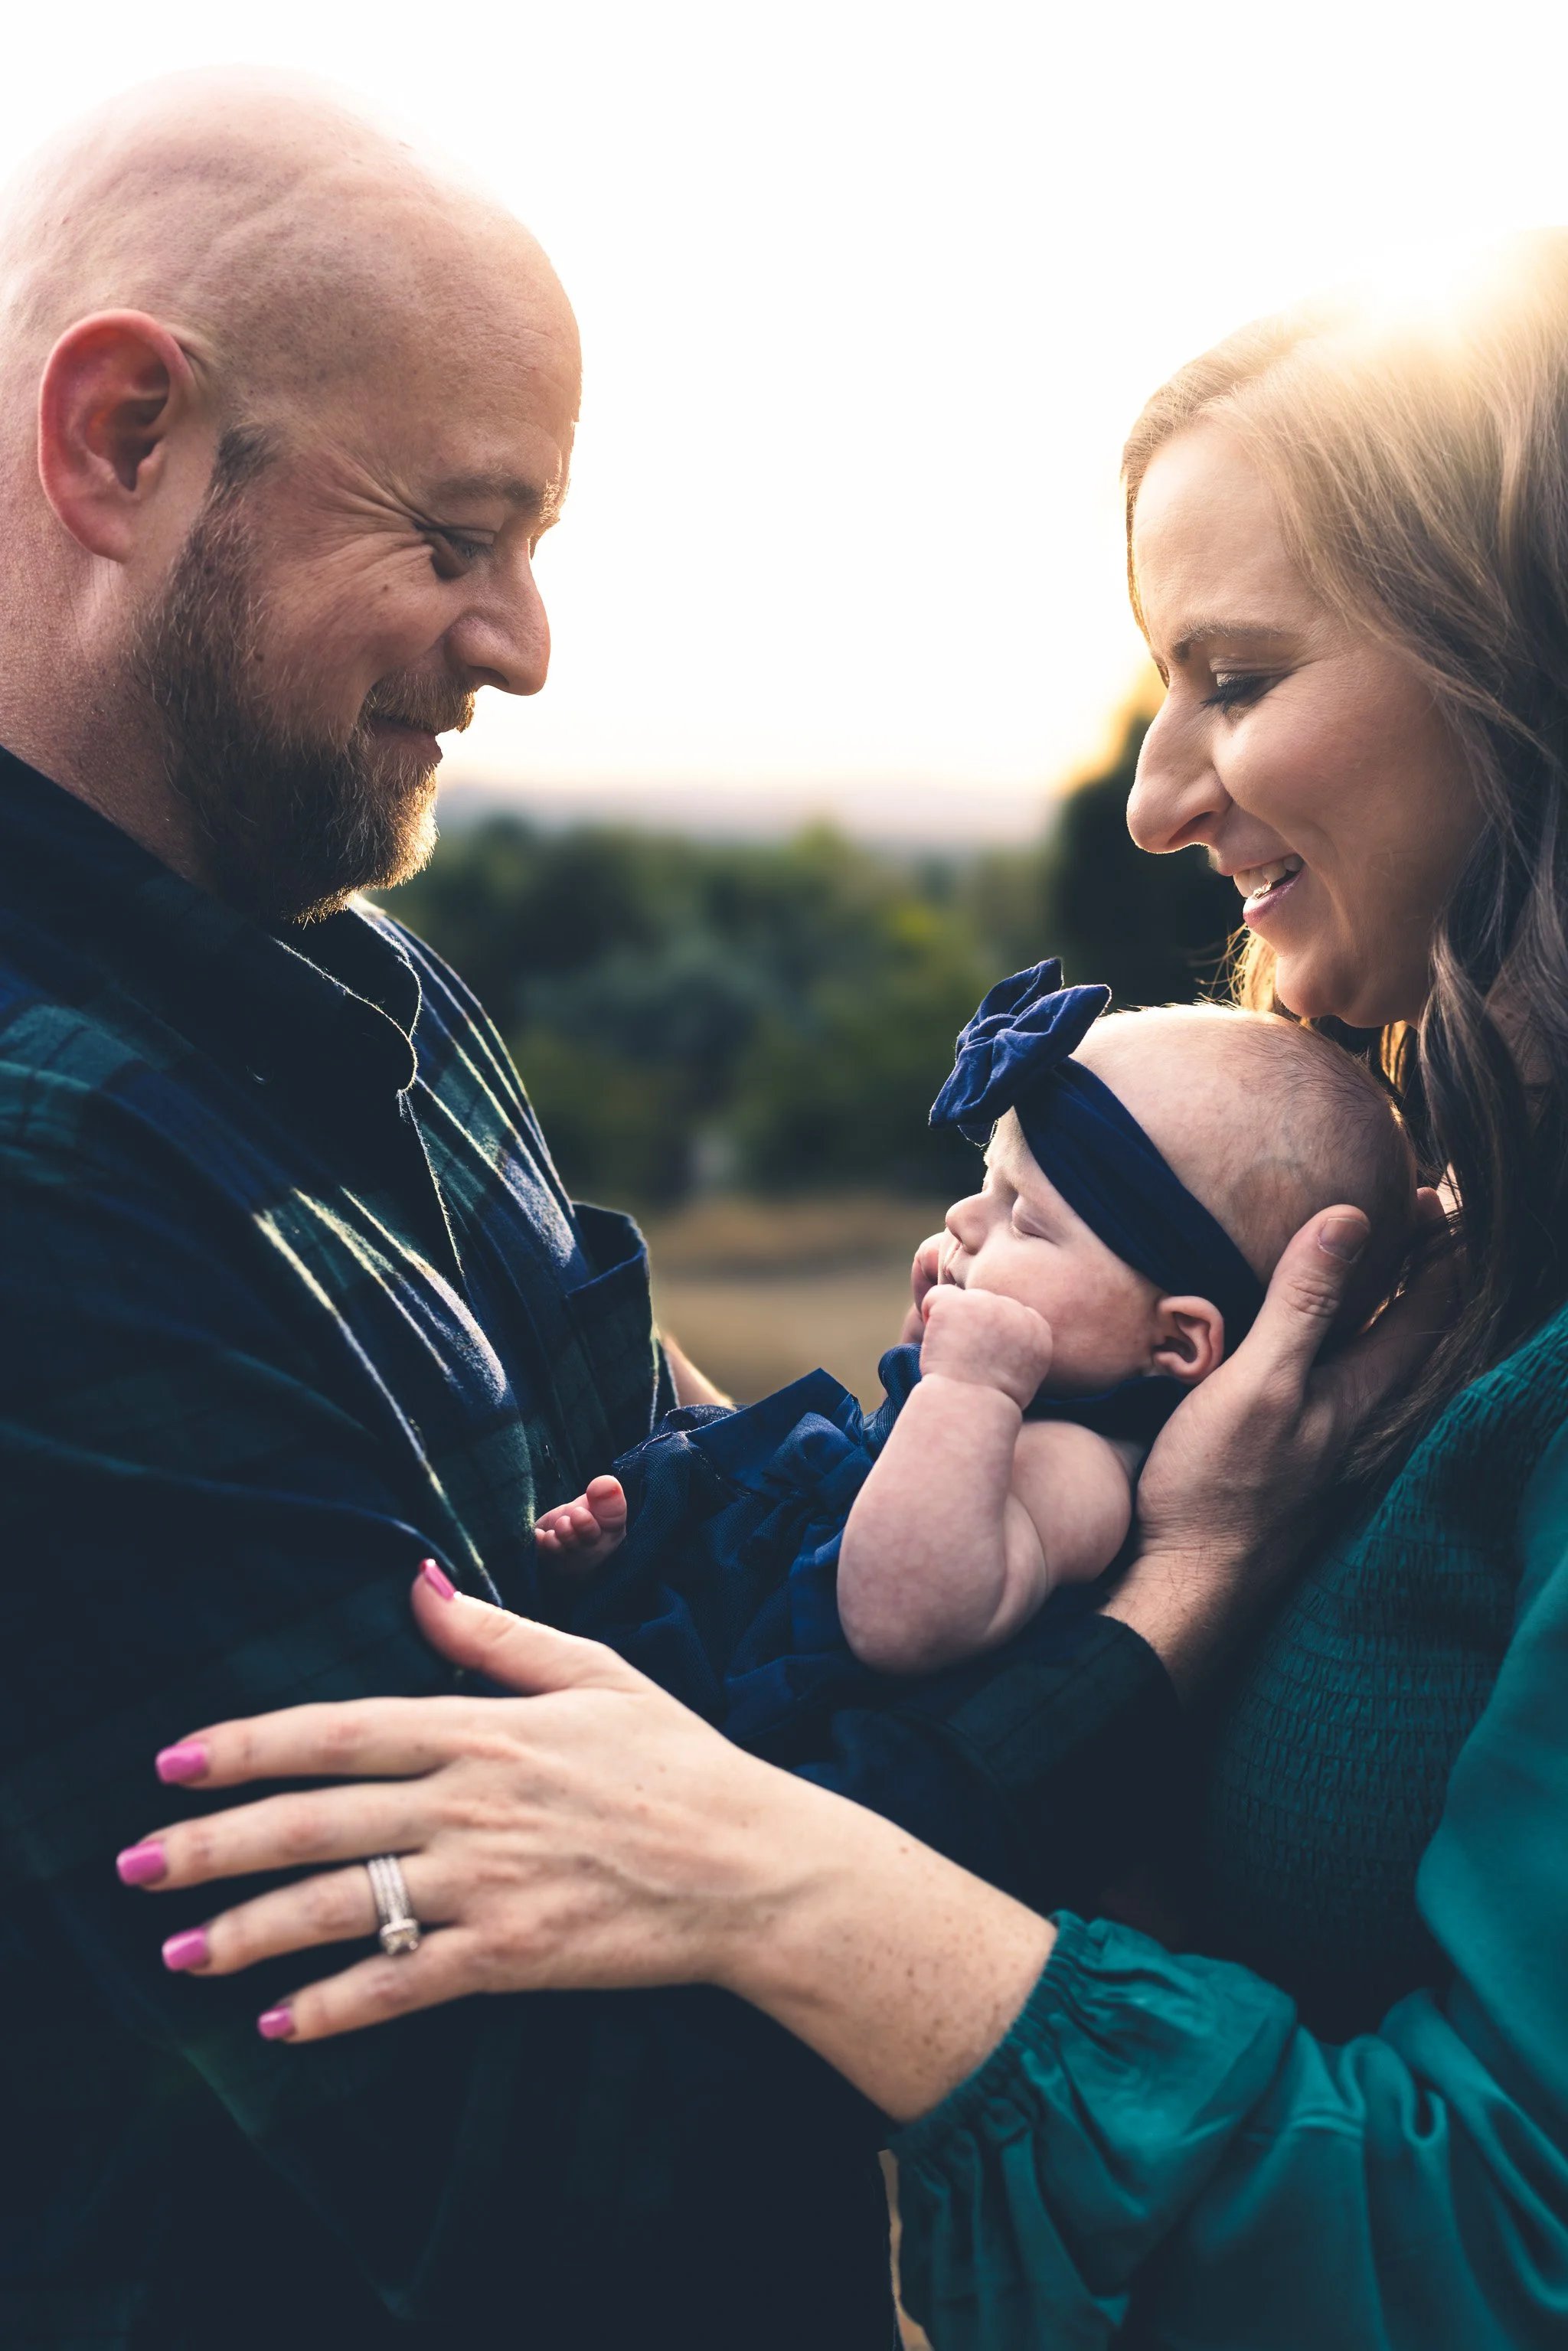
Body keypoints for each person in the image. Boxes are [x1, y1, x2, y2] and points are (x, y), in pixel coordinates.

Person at [131, 236, 1568, 2348]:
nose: (1164, 792)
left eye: (1241, 676)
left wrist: (761, 1865)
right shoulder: (1414, 1264)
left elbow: (1499, 2243)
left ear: (1517, 664)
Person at [0, 73, 1190, 2351]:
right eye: (460, 536)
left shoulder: (375, 1001)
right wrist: (1177, 1613)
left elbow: (723, 1524)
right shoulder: (43, 1177)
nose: (525, 644)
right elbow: (537, 2153)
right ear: (124, 440)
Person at [534, 977, 1414, 1696]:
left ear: (1178, 1340)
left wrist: (966, 1388)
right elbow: (879, 1480)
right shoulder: (1034, 1406)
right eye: (986, 1182)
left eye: (1026, 1221)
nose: (961, 1215)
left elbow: (899, 1614)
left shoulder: (1082, 1463)